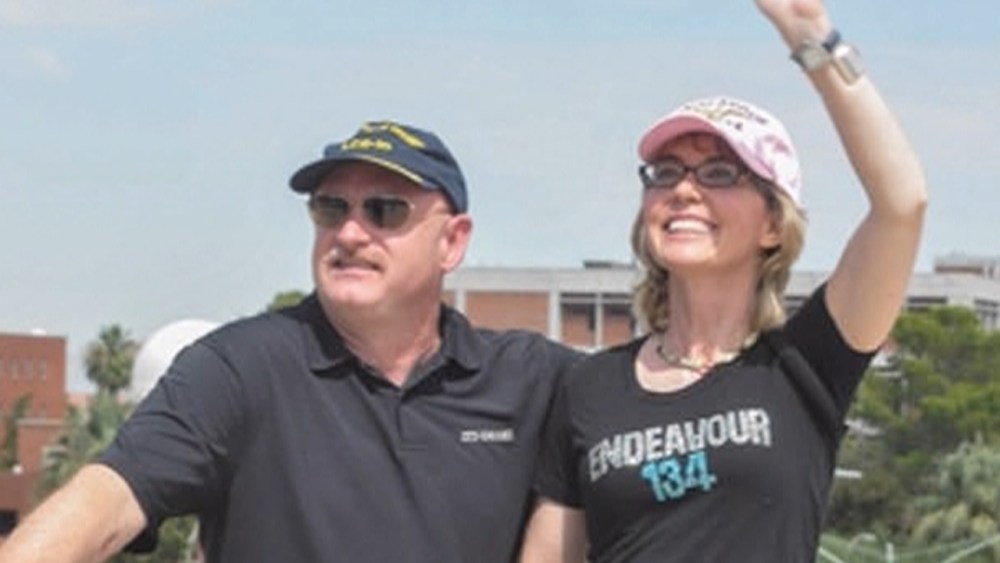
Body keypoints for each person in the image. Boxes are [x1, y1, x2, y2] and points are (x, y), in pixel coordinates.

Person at [0, 121, 581, 562]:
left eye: (384, 211)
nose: (350, 232)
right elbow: (109, 499)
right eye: (331, 208)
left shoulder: (535, 380)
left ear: (452, 242)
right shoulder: (238, 369)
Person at [518, 0, 928, 561]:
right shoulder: (589, 386)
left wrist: (814, 37)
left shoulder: (804, 365)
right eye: (665, 173)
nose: (684, 190)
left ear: (773, 224)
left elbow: (902, 203)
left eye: (719, 173)